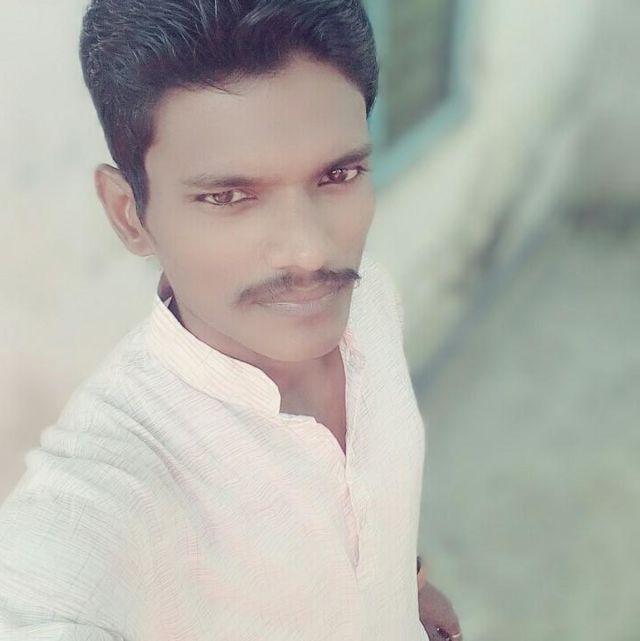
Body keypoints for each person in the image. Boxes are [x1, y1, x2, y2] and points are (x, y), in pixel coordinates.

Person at [0, 1, 462, 639]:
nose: (310, 252)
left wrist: (408, 586)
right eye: (228, 196)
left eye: (338, 174)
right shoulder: (114, 484)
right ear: (130, 214)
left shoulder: (371, 299)